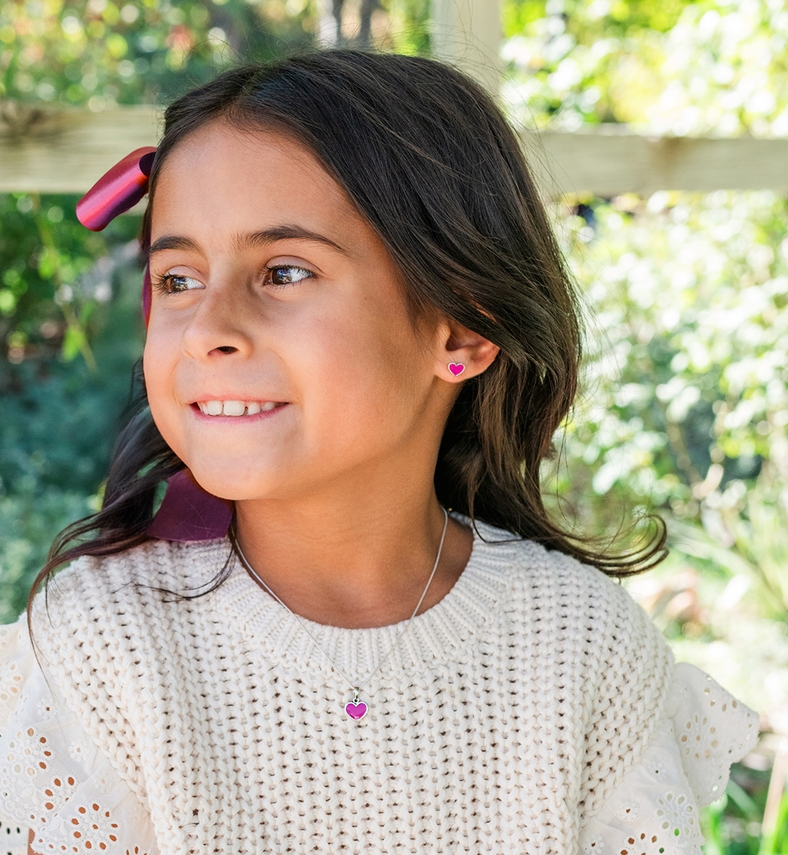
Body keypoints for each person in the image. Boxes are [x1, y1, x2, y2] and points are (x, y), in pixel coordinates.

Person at [0, 50, 758, 855]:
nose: (208, 329)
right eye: (179, 279)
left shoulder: (586, 645)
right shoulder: (99, 644)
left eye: (283, 272)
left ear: (462, 330)